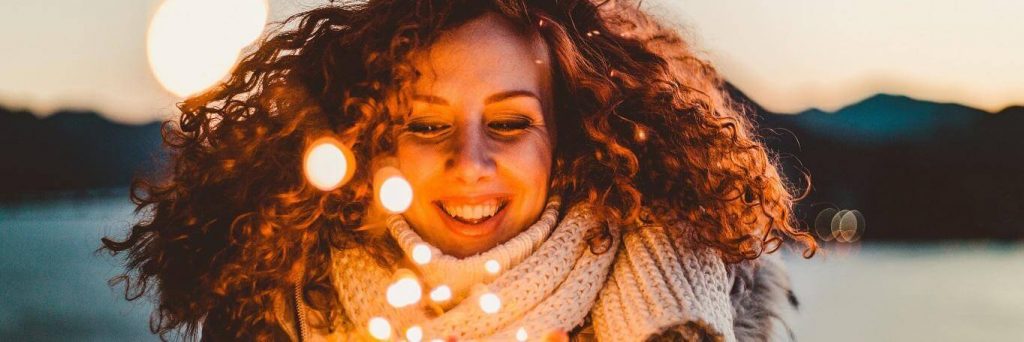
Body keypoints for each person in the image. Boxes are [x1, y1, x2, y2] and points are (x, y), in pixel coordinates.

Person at [103, 0, 818, 340]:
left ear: (570, 141)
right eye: (425, 124)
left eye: (509, 124)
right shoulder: (275, 311)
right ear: (372, 137)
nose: (469, 164)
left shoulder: (690, 308)